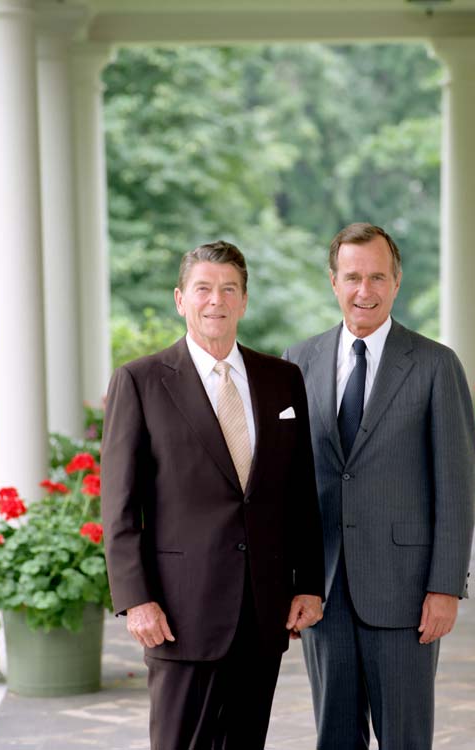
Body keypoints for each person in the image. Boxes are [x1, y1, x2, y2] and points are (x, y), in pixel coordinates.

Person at [101, 240, 324, 750]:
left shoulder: (282, 379)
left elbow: (301, 492)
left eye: (228, 289)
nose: (215, 301)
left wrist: (309, 583)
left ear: (245, 301)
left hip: (263, 609)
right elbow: (118, 505)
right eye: (203, 288)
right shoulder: (140, 381)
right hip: (180, 613)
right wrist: (137, 600)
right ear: (181, 299)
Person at [283, 222, 475, 750]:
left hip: (406, 591)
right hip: (322, 590)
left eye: (376, 277)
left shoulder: (436, 365)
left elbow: (457, 487)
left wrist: (445, 587)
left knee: (406, 739)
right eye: (352, 277)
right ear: (333, 282)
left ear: (396, 283)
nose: (363, 291)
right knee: (335, 737)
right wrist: (289, 580)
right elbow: (286, 482)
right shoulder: (297, 362)